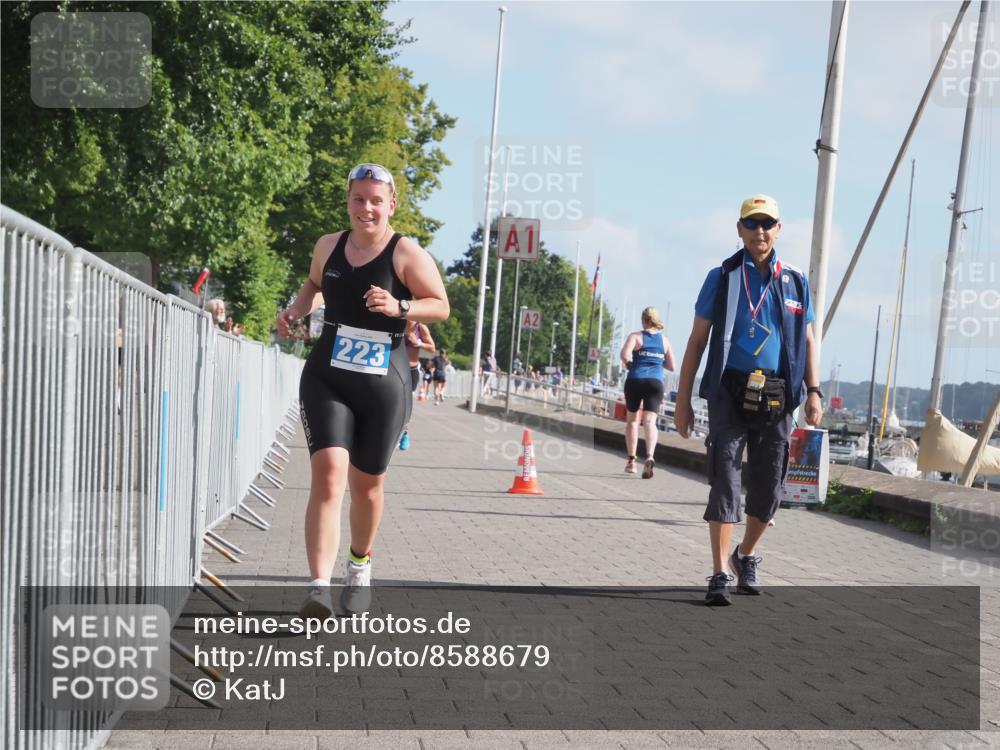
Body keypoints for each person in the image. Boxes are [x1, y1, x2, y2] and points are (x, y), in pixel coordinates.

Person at [275, 163, 449, 619]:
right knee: (329, 474)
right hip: (327, 375)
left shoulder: (405, 253)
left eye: (376, 200)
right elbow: (315, 284)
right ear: (348, 200)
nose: (366, 208)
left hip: (382, 383)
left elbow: (441, 305)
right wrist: (295, 310)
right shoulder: (328, 245)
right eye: (358, 199)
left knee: (367, 486)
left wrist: (400, 305)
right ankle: (318, 587)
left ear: (391, 204)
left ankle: (359, 564)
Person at [673, 195, 823, 606]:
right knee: (725, 479)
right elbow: (697, 340)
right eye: (751, 224)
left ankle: (746, 555)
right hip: (729, 391)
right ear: (739, 229)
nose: (759, 231)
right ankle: (720, 571)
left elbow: (808, 339)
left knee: (770, 486)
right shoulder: (721, 277)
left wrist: (813, 390)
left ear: (779, 228)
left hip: (778, 395)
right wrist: (683, 400)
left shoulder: (794, 280)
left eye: (767, 223)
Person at [620, 307, 676, 478]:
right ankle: (650, 456)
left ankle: (631, 461)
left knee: (632, 420)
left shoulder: (636, 336)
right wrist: (657, 362)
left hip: (635, 380)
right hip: (655, 382)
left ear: (643, 320)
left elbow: (624, 354)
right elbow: (672, 366)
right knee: (650, 422)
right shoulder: (664, 341)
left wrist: (630, 364)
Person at [399, 320, 435, 450]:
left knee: (405, 406)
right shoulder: (398, 322)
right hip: (395, 369)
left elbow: (432, 347)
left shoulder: (421, 328)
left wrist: (419, 343)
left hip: (411, 370)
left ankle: (405, 434)